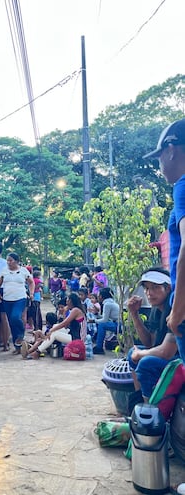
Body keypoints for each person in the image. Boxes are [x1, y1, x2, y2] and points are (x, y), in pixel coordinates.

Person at [143, 118, 185, 362]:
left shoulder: (182, 185)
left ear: (171, 151)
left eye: (159, 157)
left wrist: (178, 310)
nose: (159, 164)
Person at [127, 267, 179, 401]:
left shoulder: (174, 308)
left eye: (155, 287)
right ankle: (139, 399)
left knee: (146, 362)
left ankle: (150, 411)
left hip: (180, 359)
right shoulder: (156, 309)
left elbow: (167, 352)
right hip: (170, 355)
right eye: (147, 288)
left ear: (167, 289)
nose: (149, 293)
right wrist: (134, 314)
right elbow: (150, 343)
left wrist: (140, 354)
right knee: (132, 353)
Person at [0, 252, 34, 354]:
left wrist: (32, 292)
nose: (8, 262)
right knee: (11, 323)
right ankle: (17, 346)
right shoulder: (4, 271)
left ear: (16, 261)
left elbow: (31, 282)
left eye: (10, 260)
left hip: (20, 298)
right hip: (7, 299)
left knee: (15, 317)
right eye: (7, 260)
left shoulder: (23, 271)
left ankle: (21, 333)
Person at [27, 293, 86, 359]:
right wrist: (64, 312)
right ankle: (41, 343)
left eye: (67, 300)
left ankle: (37, 352)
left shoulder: (76, 310)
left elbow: (64, 323)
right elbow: (66, 326)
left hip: (78, 339)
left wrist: (51, 330)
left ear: (70, 301)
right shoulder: (73, 310)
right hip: (73, 334)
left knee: (54, 333)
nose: (66, 302)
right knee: (55, 326)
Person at [93, 287, 120, 354]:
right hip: (118, 323)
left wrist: (94, 321)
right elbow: (105, 318)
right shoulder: (111, 302)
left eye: (98, 295)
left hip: (118, 325)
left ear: (101, 296)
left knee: (102, 325)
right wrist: (96, 314)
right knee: (102, 324)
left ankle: (99, 347)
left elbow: (104, 320)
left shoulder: (107, 304)